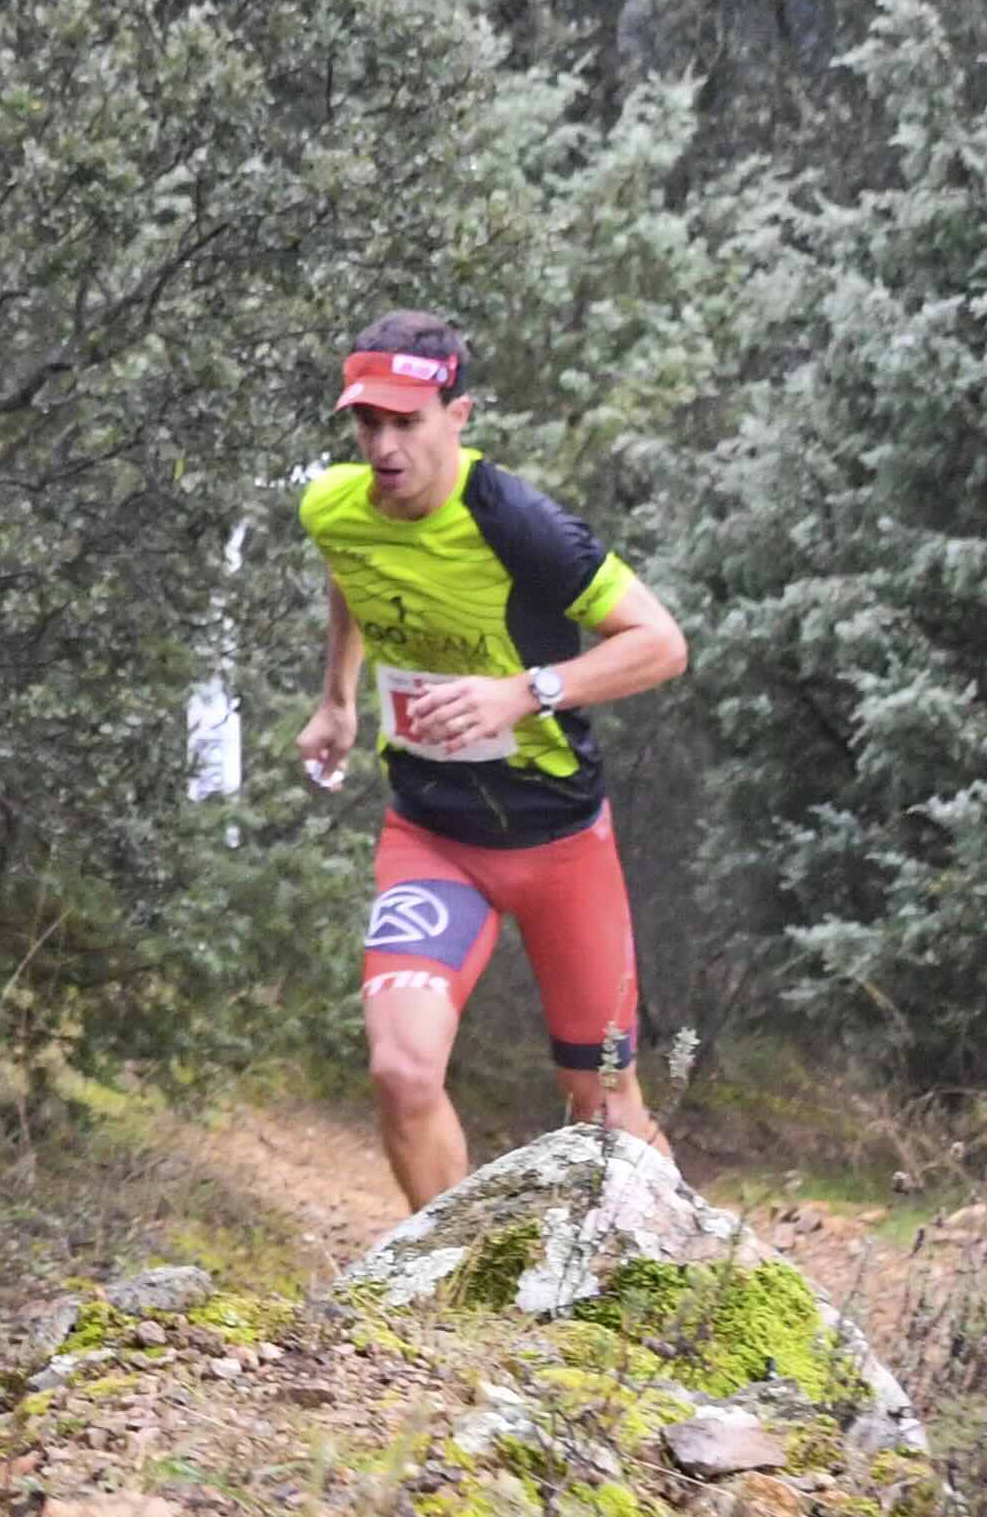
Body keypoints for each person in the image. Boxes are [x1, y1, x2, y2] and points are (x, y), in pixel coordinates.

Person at [292, 312, 693, 1207]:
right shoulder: (332, 506)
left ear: (458, 415)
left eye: (407, 422)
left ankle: (693, 1280)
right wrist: (337, 699)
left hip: (560, 843)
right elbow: (349, 572)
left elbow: (662, 644)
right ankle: (452, 1282)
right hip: (432, 838)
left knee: (603, 1104)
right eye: (368, 424)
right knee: (401, 1071)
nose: (384, 448)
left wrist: (525, 692)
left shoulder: (520, 525)